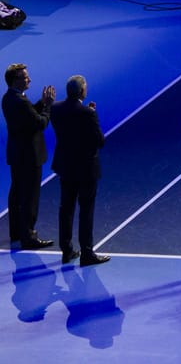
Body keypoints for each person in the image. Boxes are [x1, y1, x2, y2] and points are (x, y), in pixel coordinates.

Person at [50, 75, 109, 266]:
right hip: (85, 168)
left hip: (66, 166)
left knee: (65, 209)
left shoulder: (56, 109)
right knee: (86, 210)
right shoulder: (87, 113)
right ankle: (87, 253)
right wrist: (92, 114)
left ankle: (67, 251)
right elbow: (99, 141)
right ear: (82, 91)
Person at [2, 64, 55, 249]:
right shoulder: (20, 102)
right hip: (29, 156)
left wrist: (40, 104)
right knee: (30, 197)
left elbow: (29, 114)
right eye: (25, 77)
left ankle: (16, 232)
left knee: (17, 193)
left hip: (17, 154)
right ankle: (29, 236)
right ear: (15, 80)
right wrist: (47, 107)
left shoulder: (9, 98)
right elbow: (39, 123)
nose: (29, 79)